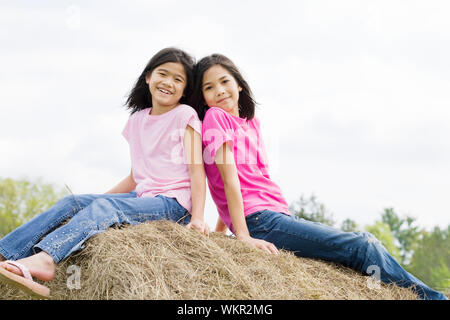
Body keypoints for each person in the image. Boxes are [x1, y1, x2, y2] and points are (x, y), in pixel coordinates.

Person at [190, 53, 448, 300]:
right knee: (363, 245)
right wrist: (243, 236)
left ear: (239, 85)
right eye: (209, 87)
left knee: (357, 253)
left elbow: (251, 179)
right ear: (203, 98)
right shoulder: (215, 117)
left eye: (225, 81)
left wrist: (222, 230)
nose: (220, 90)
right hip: (260, 221)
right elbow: (228, 180)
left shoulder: (252, 124)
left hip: (277, 214)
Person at [0, 47, 208, 299]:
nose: (168, 82)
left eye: (178, 79)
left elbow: (198, 171)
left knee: (105, 206)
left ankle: (47, 259)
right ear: (148, 77)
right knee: (72, 202)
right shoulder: (137, 120)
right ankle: (6, 253)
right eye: (163, 74)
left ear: (185, 90)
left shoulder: (185, 116)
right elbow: (135, 177)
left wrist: (197, 217)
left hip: (173, 204)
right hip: (143, 197)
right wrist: (94, 202)